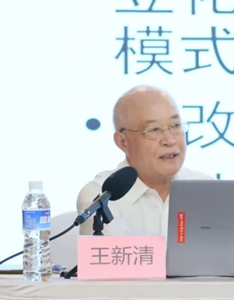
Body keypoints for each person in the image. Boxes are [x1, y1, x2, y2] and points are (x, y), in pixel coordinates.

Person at [76, 85, 213, 237]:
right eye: (154, 130)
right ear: (123, 142)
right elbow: (117, 253)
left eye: (175, 126)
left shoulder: (208, 189)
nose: (170, 140)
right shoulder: (100, 197)